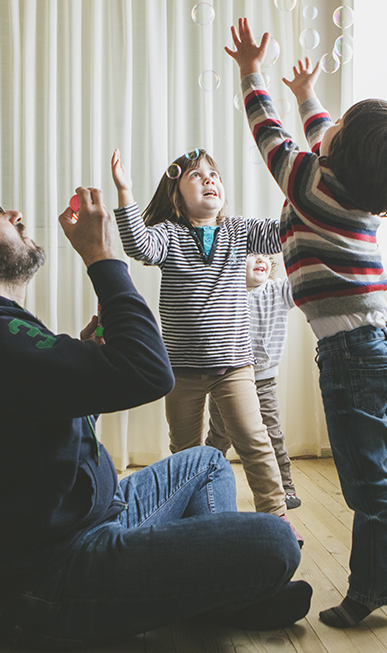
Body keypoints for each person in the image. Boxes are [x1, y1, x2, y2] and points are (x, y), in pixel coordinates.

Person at [0, 174, 311, 648]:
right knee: (274, 541)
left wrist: (85, 352)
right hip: (54, 582)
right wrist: (102, 256)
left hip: (94, 524)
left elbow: (39, 412)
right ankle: (212, 591)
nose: (16, 215)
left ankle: (208, 590)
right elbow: (152, 372)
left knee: (208, 463)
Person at [225, 18, 387, 628]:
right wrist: (308, 95)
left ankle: (368, 591)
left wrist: (251, 73)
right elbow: (322, 135)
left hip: (352, 353)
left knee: (364, 480)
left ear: (339, 156)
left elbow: (271, 138)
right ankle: (386, 564)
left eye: (337, 127)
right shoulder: (352, 190)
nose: (327, 127)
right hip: (383, 345)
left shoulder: (311, 185)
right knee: (380, 469)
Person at [110, 148, 301, 541]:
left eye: (213, 174)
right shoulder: (169, 235)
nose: (209, 179)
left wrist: (299, 184)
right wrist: (125, 192)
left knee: (254, 439)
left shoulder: (239, 231)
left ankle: (277, 517)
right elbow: (138, 246)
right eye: (196, 175)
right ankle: (191, 519)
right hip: (180, 369)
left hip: (234, 366)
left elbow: (285, 230)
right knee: (185, 450)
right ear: (177, 195)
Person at [206, 253, 302, 509]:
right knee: (220, 434)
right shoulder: (225, 293)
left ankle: (285, 487)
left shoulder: (278, 290)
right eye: (251, 254)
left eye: (264, 255)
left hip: (264, 381)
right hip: (227, 380)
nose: (260, 259)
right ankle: (202, 483)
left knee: (272, 433)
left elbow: (301, 280)